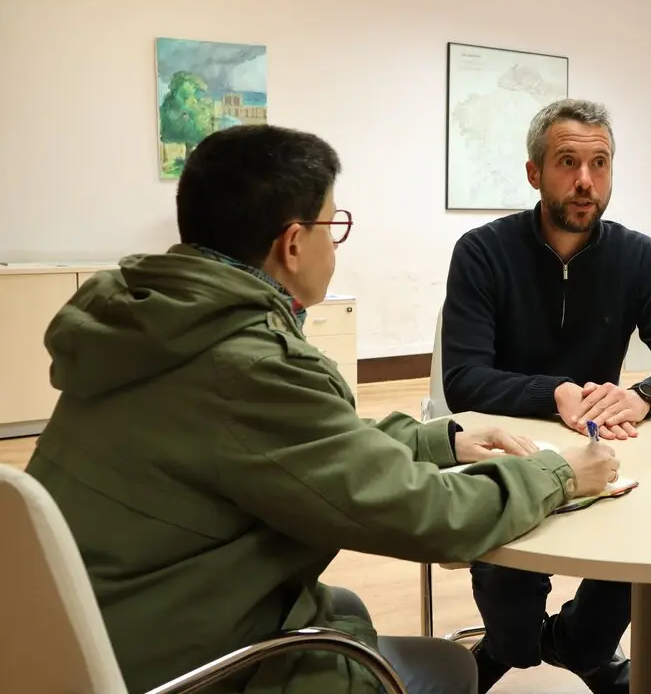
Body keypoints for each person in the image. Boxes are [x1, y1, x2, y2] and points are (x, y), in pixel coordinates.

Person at [24, 124, 620, 694]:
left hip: (90, 631)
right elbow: (429, 516)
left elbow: (300, 439)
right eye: (332, 225)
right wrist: (561, 472)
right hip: (182, 662)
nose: (334, 243)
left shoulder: (149, 326)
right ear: (292, 243)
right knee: (445, 669)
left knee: (347, 606)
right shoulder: (248, 363)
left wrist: (439, 441)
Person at [440, 98, 651, 692]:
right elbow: (463, 378)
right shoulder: (483, 252)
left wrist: (644, 395)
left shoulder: (637, 256)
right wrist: (555, 392)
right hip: (507, 451)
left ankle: (579, 644)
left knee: (629, 570)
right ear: (535, 172)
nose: (586, 181)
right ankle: (511, 644)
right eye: (567, 162)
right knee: (511, 633)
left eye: (600, 164)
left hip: (607, 451)